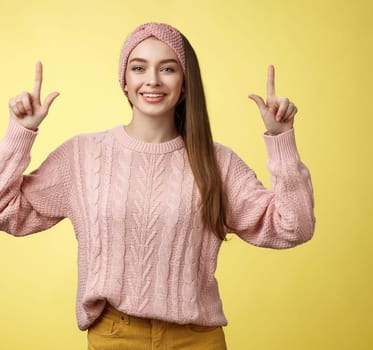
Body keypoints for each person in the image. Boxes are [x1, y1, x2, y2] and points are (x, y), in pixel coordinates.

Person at [0, 22, 315, 349]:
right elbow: (5, 212)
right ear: (124, 81)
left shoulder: (217, 162)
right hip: (114, 336)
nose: (152, 80)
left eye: (167, 68)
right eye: (139, 68)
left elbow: (292, 227)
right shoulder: (82, 156)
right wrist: (19, 133)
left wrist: (281, 139)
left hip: (197, 340)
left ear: (185, 83)